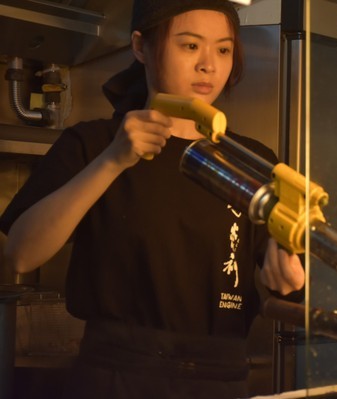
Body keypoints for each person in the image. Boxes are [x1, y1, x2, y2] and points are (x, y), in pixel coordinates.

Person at [0, 1, 305, 398]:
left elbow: (289, 282)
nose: (209, 65)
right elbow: (22, 254)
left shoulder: (252, 161)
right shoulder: (92, 144)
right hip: (116, 376)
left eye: (224, 49)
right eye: (191, 46)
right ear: (141, 47)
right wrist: (113, 160)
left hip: (222, 377)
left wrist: (289, 278)